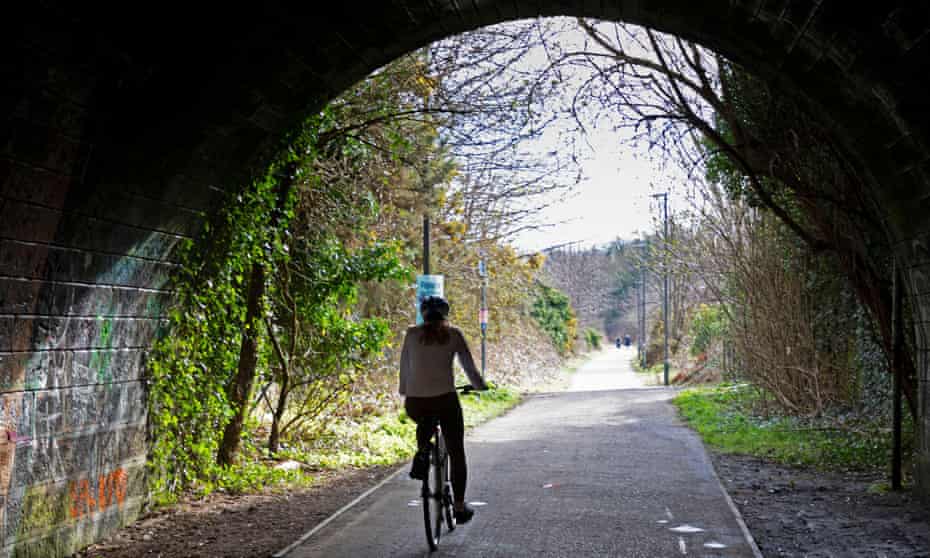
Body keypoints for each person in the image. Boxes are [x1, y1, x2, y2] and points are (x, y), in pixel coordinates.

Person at [399, 295, 488, 524]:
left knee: (424, 422)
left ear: (423, 314)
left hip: (415, 403)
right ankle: (459, 507)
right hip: (445, 401)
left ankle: (422, 452)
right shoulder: (454, 335)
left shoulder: (411, 334)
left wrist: (407, 392)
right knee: (456, 451)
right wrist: (480, 386)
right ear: (445, 314)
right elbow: (470, 369)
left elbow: (404, 370)